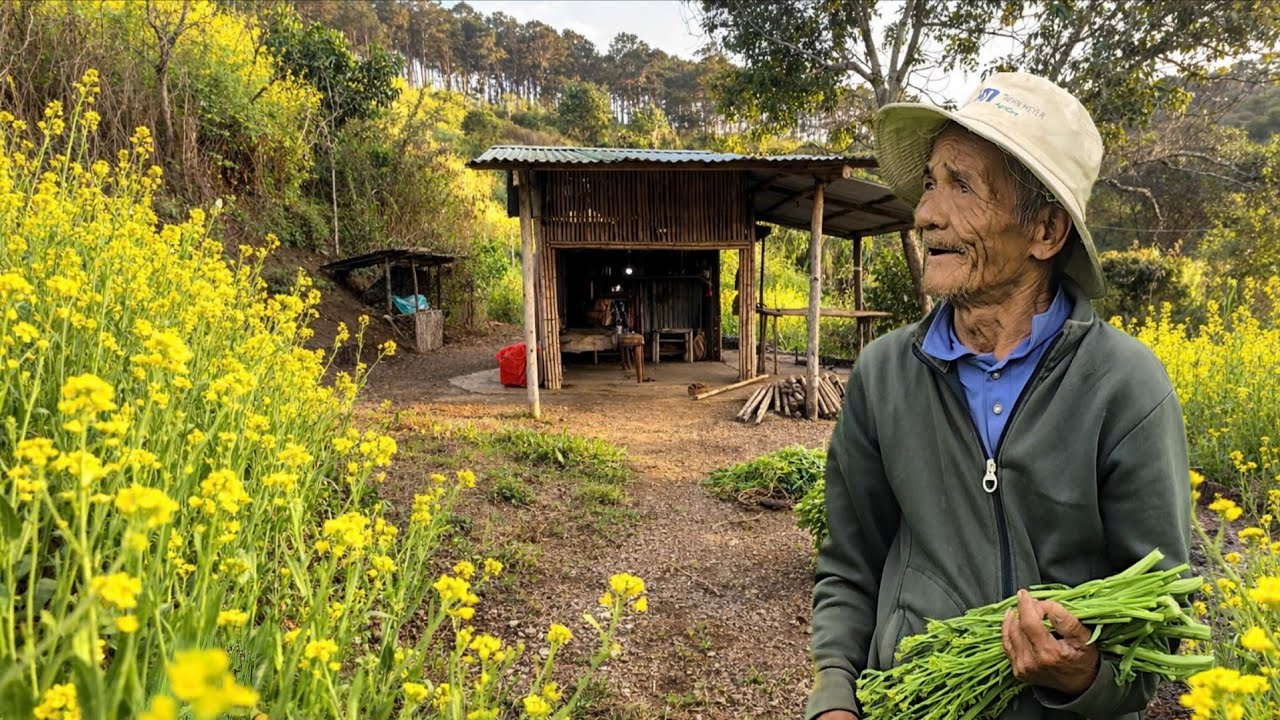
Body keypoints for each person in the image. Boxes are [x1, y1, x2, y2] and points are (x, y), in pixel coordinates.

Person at [805, 73, 1191, 720]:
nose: (927, 212)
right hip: (910, 705)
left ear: (1045, 231)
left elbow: (1158, 619)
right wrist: (835, 699)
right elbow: (849, 568)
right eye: (931, 181)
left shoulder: (1125, 388)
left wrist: (1083, 676)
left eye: (964, 186)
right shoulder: (884, 375)